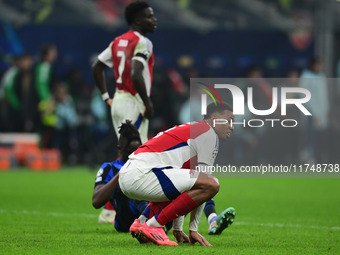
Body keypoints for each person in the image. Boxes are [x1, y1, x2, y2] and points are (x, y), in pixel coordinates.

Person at [119, 102, 235, 246]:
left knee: (199, 182)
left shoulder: (195, 129)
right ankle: (154, 225)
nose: (232, 126)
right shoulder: (208, 134)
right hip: (142, 174)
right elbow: (205, 183)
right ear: (215, 118)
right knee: (212, 184)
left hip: (129, 174)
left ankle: (141, 222)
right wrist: (193, 229)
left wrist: (178, 229)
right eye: (229, 120)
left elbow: (185, 183)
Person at [92, 1, 157, 144]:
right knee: (137, 152)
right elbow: (135, 73)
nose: (154, 20)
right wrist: (147, 104)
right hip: (133, 102)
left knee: (126, 150)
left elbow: (96, 67)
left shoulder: (117, 41)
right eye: (150, 17)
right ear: (138, 20)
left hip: (117, 102)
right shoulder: (143, 42)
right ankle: (107, 168)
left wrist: (106, 98)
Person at [92, 120, 149, 232]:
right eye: (130, 152)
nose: (133, 156)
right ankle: (147, 220)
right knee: (127, 184)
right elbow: (96, 201)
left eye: (137, 152)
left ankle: (152, 220)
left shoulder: (148, 165)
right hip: (125, 223)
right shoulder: (109, 168)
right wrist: (121, 174)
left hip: (153, 215)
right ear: (119, 150)